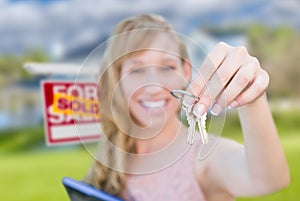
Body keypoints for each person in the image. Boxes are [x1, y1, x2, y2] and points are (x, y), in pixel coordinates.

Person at [84, 14, 290, 201]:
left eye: (167, 67)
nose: (154, 85)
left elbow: (268, 179)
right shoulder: (114, 154)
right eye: (136, 70)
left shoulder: (205, 157)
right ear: (116, 78)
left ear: (185, 70)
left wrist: (251, 98)